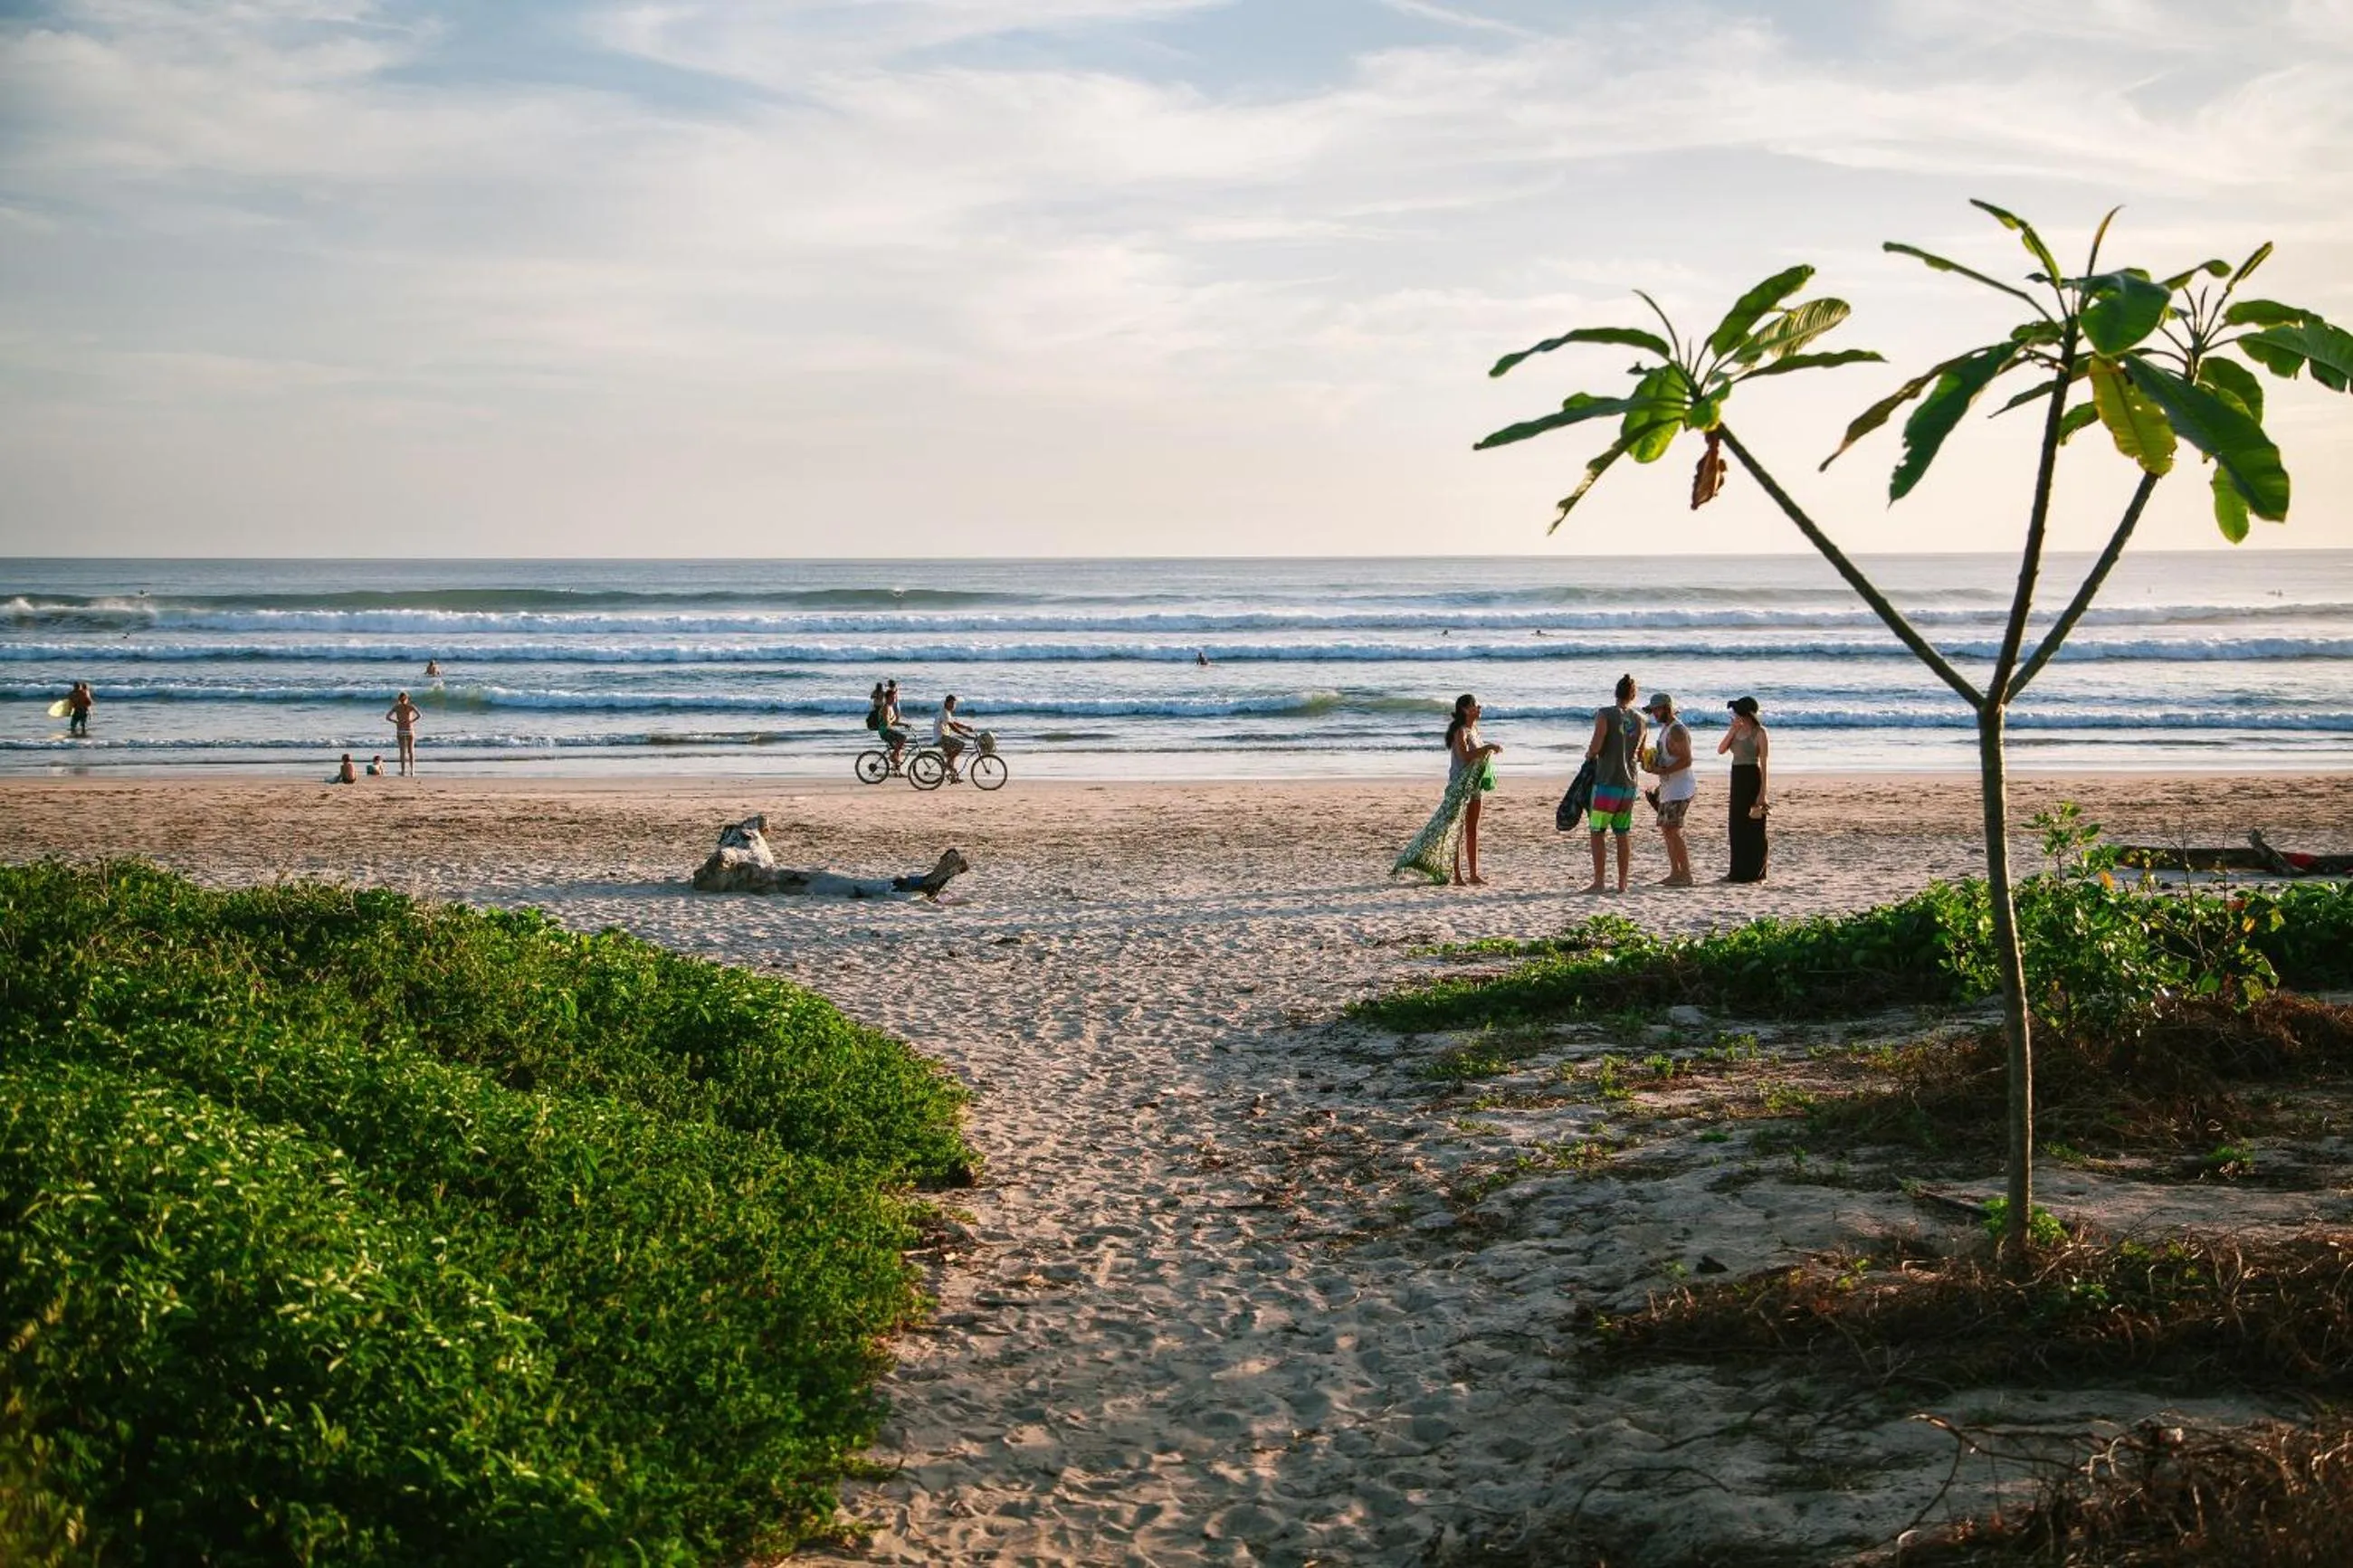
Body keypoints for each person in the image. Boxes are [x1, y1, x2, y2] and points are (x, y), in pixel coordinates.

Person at [1394, 693, 1501, 886]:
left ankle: (1474, 874)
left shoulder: (1475, 730)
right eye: (1476, 705)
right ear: (1465, 709)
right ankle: (1457, 875)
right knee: (1456, 830)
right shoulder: (1460, 731)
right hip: (1459, 786)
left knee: (1472, 830)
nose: (1479, 708)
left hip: (1474, 785)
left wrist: (1488, 750)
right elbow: (1466, 756)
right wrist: (1487, 748)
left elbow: (1477, 757)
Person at [1584, 674, 1645, 894]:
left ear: (1615, 692)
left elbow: (1596, 745)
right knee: (1622, 832)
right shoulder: (1641, 719)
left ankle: (1599, 881)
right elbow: (1640, 753)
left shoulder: (1605, 714)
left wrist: (1589, 755)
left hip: (1607, 781)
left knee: (1597, 831)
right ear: (1633, 695)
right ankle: (1622, 883)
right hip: (1629, 783)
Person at [1642, 692, 1697, 887]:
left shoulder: (1677, 730)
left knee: (1673, 831)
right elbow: (1670, 757)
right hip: (1669, 787)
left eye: (1657, 710)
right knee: (1667, 830)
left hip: (1680, 788)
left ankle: (1686, 874)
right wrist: (1653, 765)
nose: (1654, 714)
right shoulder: (1666, 729)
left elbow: (1687, 760)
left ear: (1667, 708)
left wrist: (1662, 770)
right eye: (1653, 711)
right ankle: (1675, 872)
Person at [1720, 695, 1771, 882]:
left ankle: (1755, 872)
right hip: (1737, 777)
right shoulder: (1736, 729)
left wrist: (1762, 793)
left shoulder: (1760, 733)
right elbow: (1721, 750)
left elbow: (1764, 765)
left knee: (1755, 827)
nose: (1735, 716)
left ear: (1747, 714)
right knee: (1736, 826)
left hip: (1752, 777)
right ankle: (1737, 871)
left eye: (1738, 713)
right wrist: (1732, 731)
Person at [935, 694, 976, 781]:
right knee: (961, 745)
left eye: (955, 704)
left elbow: (954, 723)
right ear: (946, 703)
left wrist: (966, 727)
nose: (954, 706)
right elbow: (952, 726)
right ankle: (947, 765)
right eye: (952, 704)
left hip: (944, 737)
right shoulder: (944, 712)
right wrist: (963, 734)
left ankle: (953, 777)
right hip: (941, 738)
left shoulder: (947, 712)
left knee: (953, 755)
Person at [386, 690, 422, 776]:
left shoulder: (396, 707)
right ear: (407, 698)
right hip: (409, 729)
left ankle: (403, 771)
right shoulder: (410, 706)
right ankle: (412, 770)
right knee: (411, 751)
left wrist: (396, 722)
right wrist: (411, 721)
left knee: (402, 752)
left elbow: (387, 717)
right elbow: (419, 715)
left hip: (400, 730)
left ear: (399, 699)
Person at [880, 679, 910, 771]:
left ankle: (896, 769)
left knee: (899, 747)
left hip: (888, 729)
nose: (894, 700)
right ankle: (892, 757)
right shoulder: (886, 707)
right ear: (888, 698)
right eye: (892, 698)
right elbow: (887, 723)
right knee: (903, 738)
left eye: (895, 698)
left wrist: (904, 724)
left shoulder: (890, 707)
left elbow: (892, 722)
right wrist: (897, 724)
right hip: (885, 731)